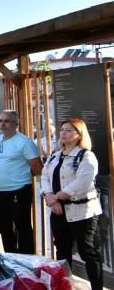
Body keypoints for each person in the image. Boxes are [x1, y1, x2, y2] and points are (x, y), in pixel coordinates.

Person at [40, 119, 103, 290]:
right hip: (58, 210)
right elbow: (45, 176)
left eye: (68, 130)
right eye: (62, 130)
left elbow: (83, 182)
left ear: (79, 134)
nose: (63, 133)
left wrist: (57, 197)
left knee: (87, 251)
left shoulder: (86, 156)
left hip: (82, 211)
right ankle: (64, 285)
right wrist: (50, 197)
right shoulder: (55, 155)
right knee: (62, 249)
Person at [0, 110, 42, 254]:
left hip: (19, 190)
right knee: (3, 227)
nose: (2, 124)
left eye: (7, 121)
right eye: (0, 121)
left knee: (22, 228)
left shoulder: (25, 142)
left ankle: (27, 260)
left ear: (16, 124)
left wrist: (19, 175)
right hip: (0, 191)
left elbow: (37, 168)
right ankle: (10, 258)